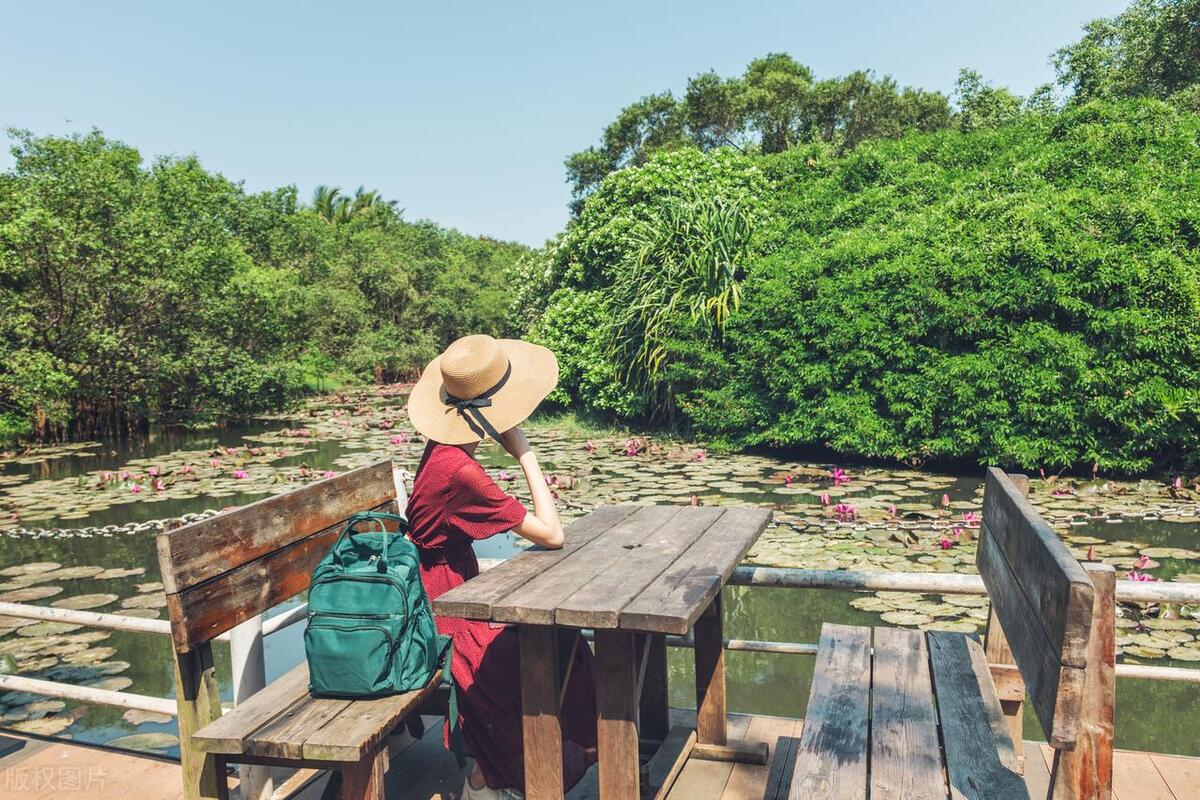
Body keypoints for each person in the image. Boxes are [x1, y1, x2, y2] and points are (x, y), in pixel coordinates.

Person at [405, 334, 598, 799]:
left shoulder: (443, 450)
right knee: (533, 654)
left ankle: (527, 767)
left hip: (452, 591)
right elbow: (552, 534)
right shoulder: (459, 471)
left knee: (563, 641)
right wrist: (523, 451)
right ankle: (490, 778)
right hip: (444, 612)